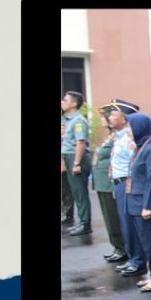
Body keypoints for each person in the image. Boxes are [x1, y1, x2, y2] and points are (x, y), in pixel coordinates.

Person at [124, 111, 151, 292]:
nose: (128, 130)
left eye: (130, 127)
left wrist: (148, 206)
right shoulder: (140, 146)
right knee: (145, 243)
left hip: (144, 206)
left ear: (139, 127)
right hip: (135, 203)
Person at [105, 98, 148, 278]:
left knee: (130, 224)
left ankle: (138, 261)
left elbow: (134, 164)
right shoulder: (120, 136)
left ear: (124, 118)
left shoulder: (130, 138)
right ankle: (132, 258)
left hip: (127, 183)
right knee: (125, 223)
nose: (109, 117)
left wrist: (127, 186)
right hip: (120, 183)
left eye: (113, 114)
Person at [92, 115, 127, 262]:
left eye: (105, 116)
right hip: (102, 182)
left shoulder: (121, 136)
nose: (103, 119)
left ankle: (121, 248)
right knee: (108, 218)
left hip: (108, 182)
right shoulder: (112, 136)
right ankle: (116, 247)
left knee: (113, 218)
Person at [60, 91, 92, 235]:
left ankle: (85, 224)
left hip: (76, 156)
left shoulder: (78, 121)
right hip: (69, 156)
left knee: (80, 192)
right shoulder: (68, 120)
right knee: (75, 191)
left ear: (74, 104)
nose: (62, 102)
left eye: (65, 100)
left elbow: (80, 142)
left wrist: (76, 163)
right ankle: (82, 222)